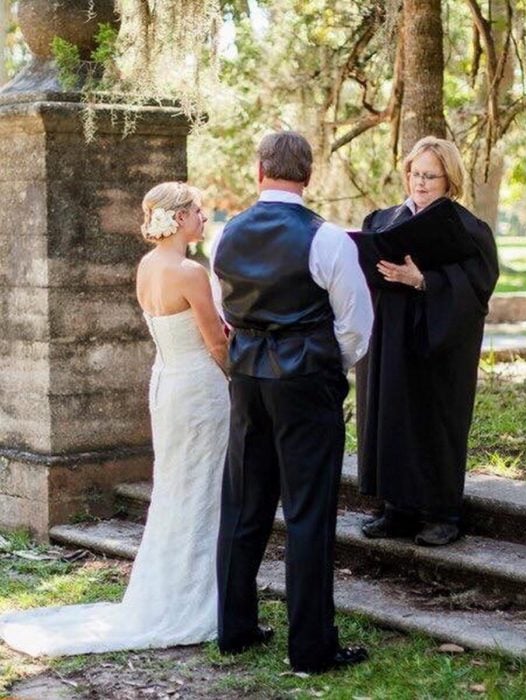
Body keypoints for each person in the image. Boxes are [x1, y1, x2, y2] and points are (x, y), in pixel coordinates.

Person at [0, 182, 230, 656]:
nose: (204, 219)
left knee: (175, 487)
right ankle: (193, 598)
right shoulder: (191, 272)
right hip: (199, 389)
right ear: (179, 217)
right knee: (201, 487)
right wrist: (240, 384)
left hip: (166, 382)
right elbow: (218, 344)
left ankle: (172, 588)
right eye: (199, 212)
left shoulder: (148, 266)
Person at [214, 131, 373, 674]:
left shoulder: (224, 233)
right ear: (308, 176)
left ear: (260, 171)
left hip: (247, 380)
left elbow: (226, 312)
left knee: (243, 502)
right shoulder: (327, 239)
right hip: (306, 382)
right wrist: (331, 367)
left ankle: (234, 629)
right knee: (307, 512)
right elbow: (356, 325)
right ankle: (310, 648)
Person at [357, 136, 499, 547]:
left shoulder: (468, 230)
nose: (420, 183)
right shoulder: (382, 221)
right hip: (389, 339)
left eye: (430, 176)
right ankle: (395, 509)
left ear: (449, 179)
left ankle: (442, 514)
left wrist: (423, 281)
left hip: (439, 344)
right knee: (389, 415)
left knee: (435, 420)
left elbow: (478, 287)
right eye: (415, 174)